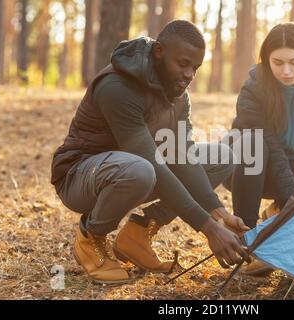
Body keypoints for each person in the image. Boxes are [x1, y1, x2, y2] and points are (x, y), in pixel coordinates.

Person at [51, 20, 250, 285]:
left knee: (221, 158)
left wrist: (218, 212)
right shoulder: (117, 87)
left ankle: (138, 235)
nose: (190, 74)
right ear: (159, 52)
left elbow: (184, 158)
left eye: (196, 68)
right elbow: (151, 163)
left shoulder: (178, 95)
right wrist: (207, 228)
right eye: (183, 64)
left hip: (133, 171)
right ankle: (91, 237)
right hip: (80, 175)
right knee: (141, 170)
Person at [224, 22, 294, 276]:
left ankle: (276, 214)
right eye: (278, 62)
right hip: (247, 168)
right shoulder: (253, 89)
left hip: (290, 167)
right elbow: (271, 151)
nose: (286, 71)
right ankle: (246, 236)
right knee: (255, 144)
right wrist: (292, 203)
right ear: (266, 60)